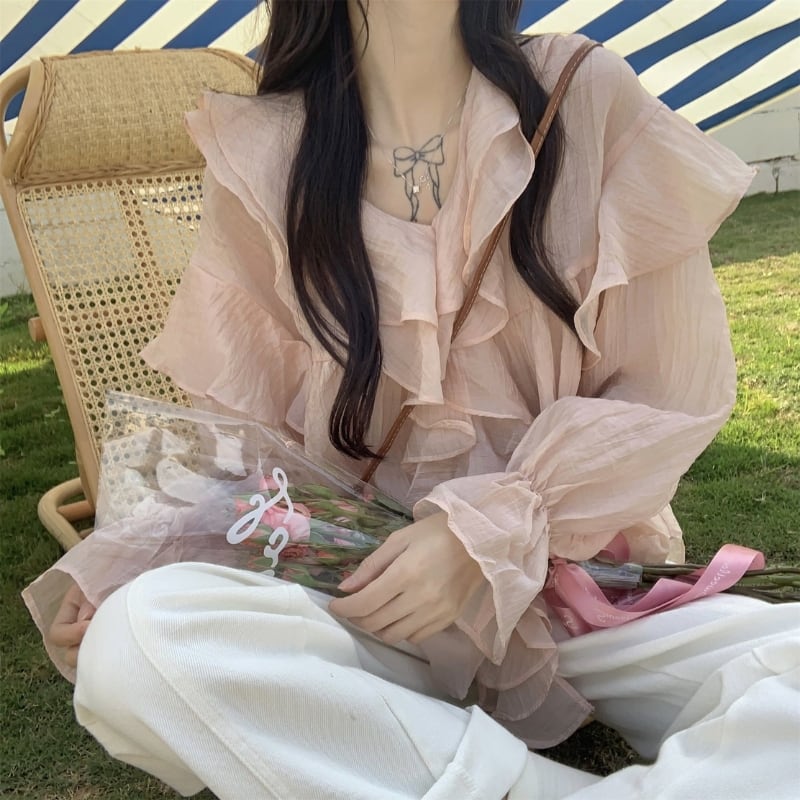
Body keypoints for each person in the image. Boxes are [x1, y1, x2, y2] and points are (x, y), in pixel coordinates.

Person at [24, 1, 799, 798]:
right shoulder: (264, 154)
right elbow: (246, 447)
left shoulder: (580, 93)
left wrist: (486, 529)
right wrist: (140, 556)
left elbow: (670, 393)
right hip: (365, 605)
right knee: (137, 646)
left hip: (572, 592)